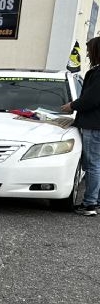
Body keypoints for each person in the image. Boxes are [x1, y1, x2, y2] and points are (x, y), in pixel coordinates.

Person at [61, 36, 100, 216]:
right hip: (95, 124)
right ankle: (95, 201)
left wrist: (72, 106)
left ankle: (90, 204)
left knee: (92, 166)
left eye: (89, 51)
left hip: (94, 125)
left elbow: (91, 99)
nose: (87, 54)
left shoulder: (98, 73)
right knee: (97, 165)